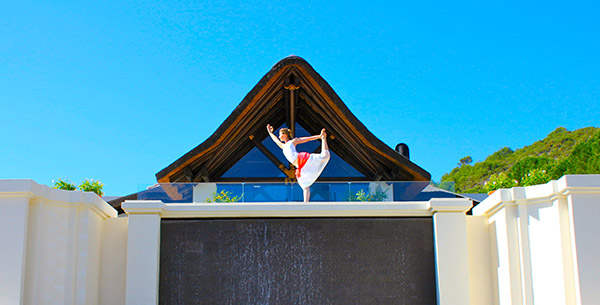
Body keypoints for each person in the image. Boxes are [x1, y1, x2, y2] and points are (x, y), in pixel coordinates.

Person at [267, 124, 330, 202]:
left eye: (280, 135)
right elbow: (275, 140)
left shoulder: (292, 141)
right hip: (300, 165)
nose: (279, 137)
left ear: (285, 134)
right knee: (304, 184)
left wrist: (319, 136)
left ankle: (324, 139)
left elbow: (306, 139)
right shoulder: (283, 146)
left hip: (301, 158)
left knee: (325, 156)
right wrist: (270, 133)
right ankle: (306, 203)